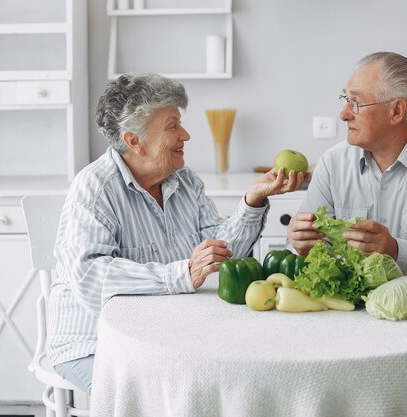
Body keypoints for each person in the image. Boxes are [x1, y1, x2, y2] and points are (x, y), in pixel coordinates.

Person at [49, 73, 308, 394]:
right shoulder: (95, 188)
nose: (185, 134)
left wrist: (253, 200)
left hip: (168, 336)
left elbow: (221, 255)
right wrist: (182, 273)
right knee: (155, 400)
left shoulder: (185, 181)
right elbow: (91, 279)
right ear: (134, 140)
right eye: (172, 125)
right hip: (94, 342)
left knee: (232, 385)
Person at [287, 51, 407, 291]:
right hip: (354, 312)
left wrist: (396, 251)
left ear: (397, 111)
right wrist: (301, 243)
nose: (344, 114)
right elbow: (309, 254)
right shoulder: (332, 163)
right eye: (345, 99)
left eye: (355, 102)